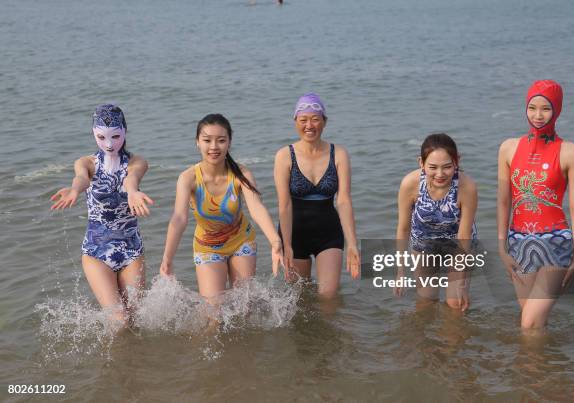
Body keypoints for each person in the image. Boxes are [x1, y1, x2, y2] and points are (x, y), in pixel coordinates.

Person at [159, 114, 282, 302]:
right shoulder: (188, 178)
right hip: (207, 247)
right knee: (212, 310)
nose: (214, 147)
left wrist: (275, 242)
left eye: (221, 140)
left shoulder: (241, 174)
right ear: (197, 143)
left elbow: (256, 208)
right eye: (207, 140)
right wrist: (167, 258)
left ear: (229, 143)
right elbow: (179, 218)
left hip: (242, 241)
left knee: (243, 306)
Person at [50, 104, 153, 328]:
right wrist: (75, 190)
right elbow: (82, 178)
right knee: (120, 319)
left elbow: (131, 178)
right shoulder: (86, 163)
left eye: (115, 136)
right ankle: (114, 362)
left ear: (124, 131)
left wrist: (133, 192)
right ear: (93, 133)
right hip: (96, 251)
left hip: (131, 250)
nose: (109, 143)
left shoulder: (137, 162)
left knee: (136, 320)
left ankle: (135, 363)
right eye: (101, 136)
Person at [497, 80, 574, 330]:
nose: (537, 115)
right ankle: (543, 367)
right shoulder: (508, 149)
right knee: (532, 318)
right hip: (519, 242)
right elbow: (504, 201)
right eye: (532, 107)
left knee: (529, 323)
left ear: (557, 110)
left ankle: (531, 367)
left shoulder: (570, 152)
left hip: (556, 242)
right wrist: (502, 248)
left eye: (545, 108)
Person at [274, 92, 360, 298]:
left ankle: (329, 331)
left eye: (315, 119)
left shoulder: (338, 153)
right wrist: (286, 246)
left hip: (328, 233)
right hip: (295, 234)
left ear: (324, 122)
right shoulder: (285, 156)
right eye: (303, 120)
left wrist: (353, 244)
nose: (309, 125)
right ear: (295, 121)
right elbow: (284, 205)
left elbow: (344, 200)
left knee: (329, 297)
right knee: (299, 298)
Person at [396, 133, 478, 312]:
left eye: (447, 167)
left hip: (459, 247)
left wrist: (462, 285)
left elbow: (464, 235)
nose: (440, 174)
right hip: (424, 245)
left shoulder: (467, 186)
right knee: (426, 304)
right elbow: (403, 229)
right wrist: (400, 271)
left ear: (457, 162)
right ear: (421, 163)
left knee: (456, 304)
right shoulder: (410, 184)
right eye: (432, 167)